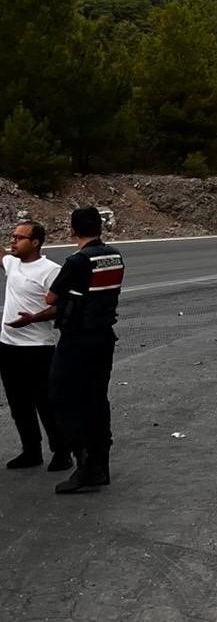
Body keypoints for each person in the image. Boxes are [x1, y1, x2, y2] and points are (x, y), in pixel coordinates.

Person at [8, 208, 123, 493]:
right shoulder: (114, 256)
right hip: (103, 337)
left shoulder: (77, 260)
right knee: (97, 401)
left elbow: (51, 297)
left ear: (72, 230)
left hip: (78, 340)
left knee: (64, 400)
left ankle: (84, 465)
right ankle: (100, 465)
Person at [0, 219, 68, 472]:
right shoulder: (12, 263)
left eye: (19, 238)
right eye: (13, 236)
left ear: (36, 242)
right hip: (8, 346)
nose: (13, 241)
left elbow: (62, 306)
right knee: (18, 404)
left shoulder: (50, 271)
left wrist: (33, 319)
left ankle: (62, 452)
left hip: (38, 348)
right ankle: (31, 451)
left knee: (46, 403)